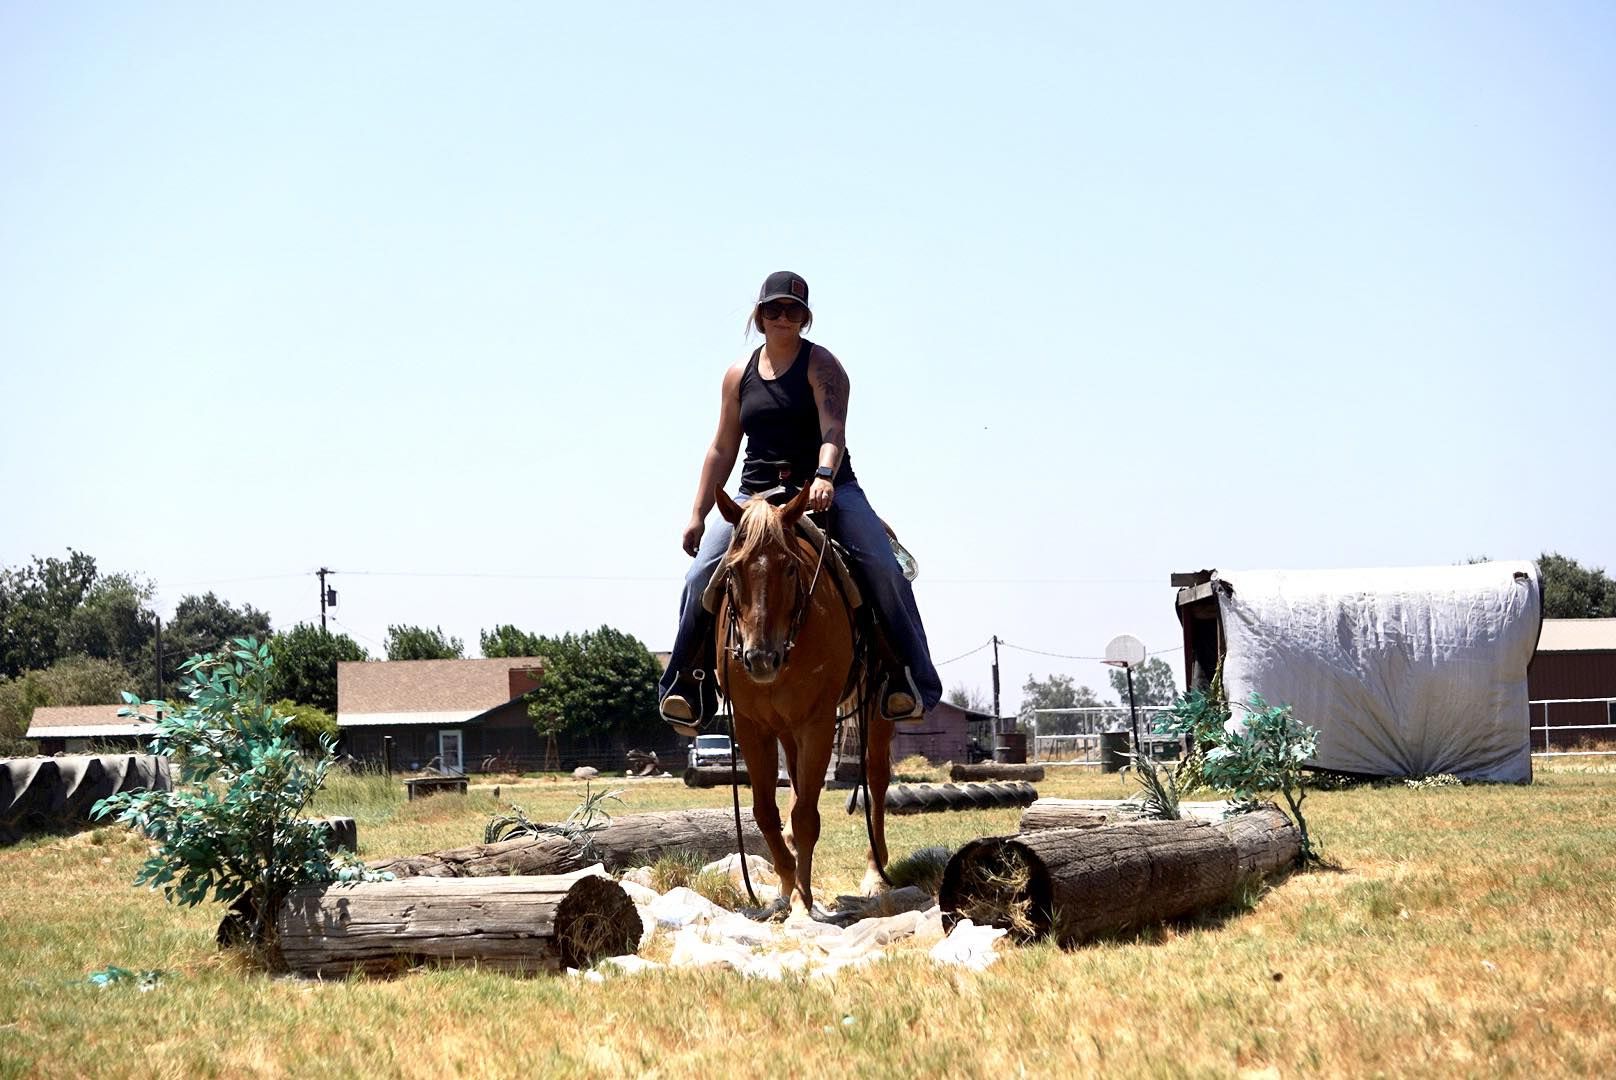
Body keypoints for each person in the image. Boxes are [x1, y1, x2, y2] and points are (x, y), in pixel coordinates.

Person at [658, 270, 943, 736]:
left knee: (882, 565)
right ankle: (688, 685)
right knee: (698, 577)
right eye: (774, 308)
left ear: (804, 318)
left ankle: (908, 679)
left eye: (793, 310)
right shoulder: (738, 375)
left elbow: (833, 430)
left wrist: (825, 476)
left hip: (824, 489)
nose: (783, 317)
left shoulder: (821, 365)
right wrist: (697, 513)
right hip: (755, 497)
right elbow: (722, 448)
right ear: (760, 315)